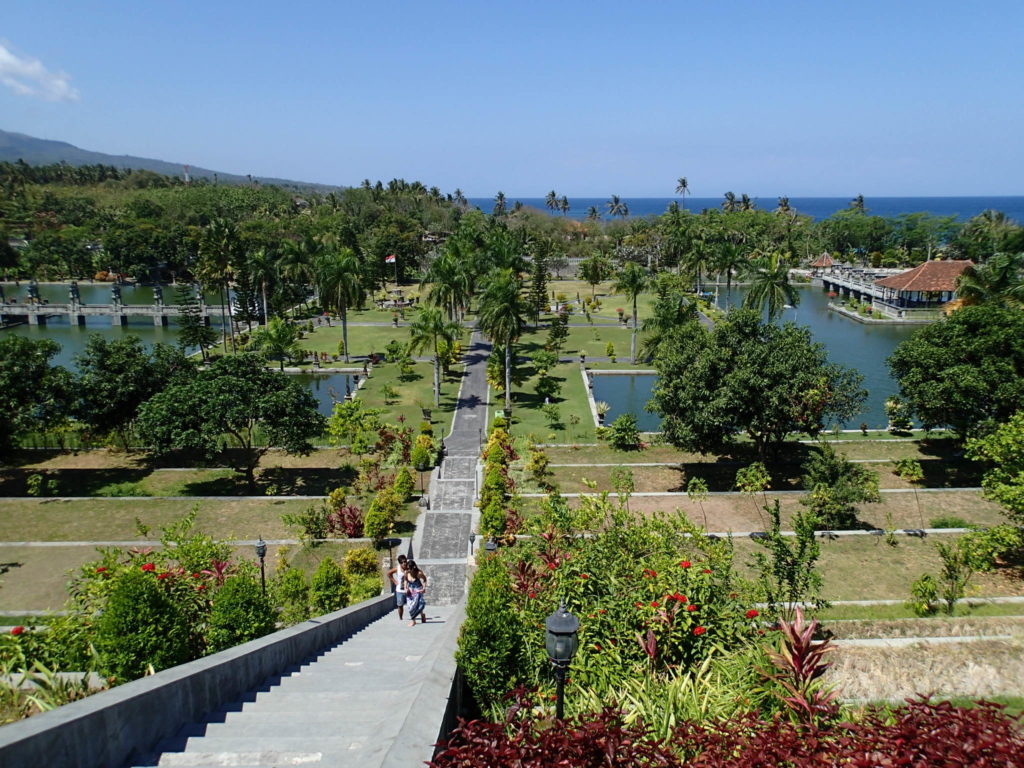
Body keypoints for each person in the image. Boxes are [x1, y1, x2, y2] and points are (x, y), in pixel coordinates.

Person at [403, 559, 428, 627]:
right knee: (410, 606)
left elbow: (425, 579)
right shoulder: (406, 573)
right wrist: (405, 588)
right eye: (408, 568)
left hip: (418, 590)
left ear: (414, 567)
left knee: (417, 605)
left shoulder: (418, 573)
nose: (408, 569)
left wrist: (424, 588)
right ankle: (420, 616)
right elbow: (405, 580)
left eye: (410, 568)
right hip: (410, 591)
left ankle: (414, 620)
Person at [386, 554, 409, 621]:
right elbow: (388, 573)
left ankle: (414, 616)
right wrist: (395, 582)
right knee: (400, 605)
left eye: (405, 561)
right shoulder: (397, 569)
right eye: (402, 562)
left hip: (408, 590)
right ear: (400, 563)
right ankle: (401, 618)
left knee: (412, 604)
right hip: (400, 590)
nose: (404, 563)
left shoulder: (409, 567)